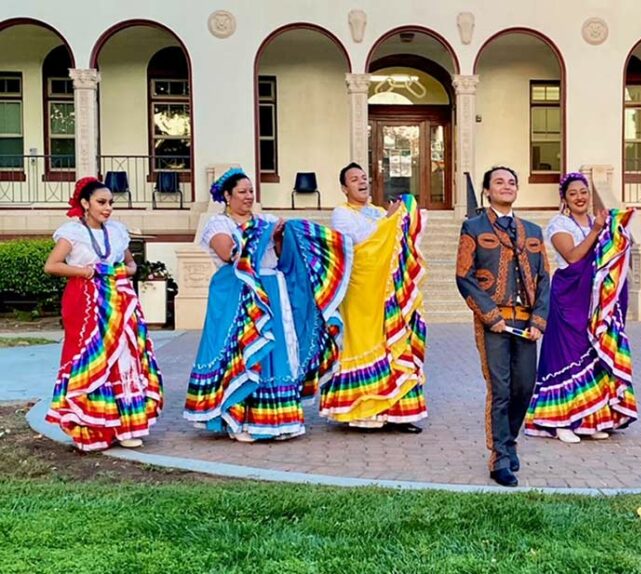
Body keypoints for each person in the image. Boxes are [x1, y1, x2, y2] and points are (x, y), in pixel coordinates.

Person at [184, 168, 351, 442]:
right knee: (244, 354)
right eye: (242, 192)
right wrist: (265, 234)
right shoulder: (218, 225)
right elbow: (229, 255)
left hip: (273, 290)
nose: (248, 197)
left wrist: (279, 237)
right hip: (238, 297)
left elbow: (282, 256)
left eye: (251, 191)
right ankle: (240, 420)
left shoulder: (265, 221)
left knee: (275, 352)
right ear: (227, 196)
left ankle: (275, 420)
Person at [43, 176, 163, 451]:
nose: (107, 208)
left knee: (124, 358)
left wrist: (118, 273)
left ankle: (126, 427)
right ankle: (91, 428)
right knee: (90, 357)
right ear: (85, 203)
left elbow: (132, 266)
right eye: (101, 202)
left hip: (119, 300)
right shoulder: (73, 232)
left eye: (110, 203)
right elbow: (52, 265)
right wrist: (87, 271)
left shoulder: (118, 231)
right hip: (85, 301)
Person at [524, 172, 637, 443]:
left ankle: (590, 419)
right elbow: (573, 256)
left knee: (593, 355)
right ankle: (559, 420)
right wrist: (598, 231)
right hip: (567, 299)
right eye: (573, 193)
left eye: (583, 192)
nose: (579, 197)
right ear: (564, 198)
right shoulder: (559, 224)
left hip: (594, 302)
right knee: (565, 357)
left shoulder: (599, 222)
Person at [456, 166, 550, 487]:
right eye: (499, 182)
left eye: (511, 182)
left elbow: (544, 279)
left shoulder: (534, 231)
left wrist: (539, 319)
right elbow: (464, 276)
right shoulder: (473, 227)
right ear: (487, 190)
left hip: (526, 323)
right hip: (494, 321)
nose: (506, 186)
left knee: (524, 386)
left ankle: (509, 443)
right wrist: (489, 314)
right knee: (500, 389)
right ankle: (499, 457)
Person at [319, 162, 428, 433]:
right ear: (345, 188)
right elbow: (363, 239)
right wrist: (391, 219)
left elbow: (394, 240)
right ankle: (363, 413)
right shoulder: (341, 213)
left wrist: (398, 217)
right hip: (359, 289)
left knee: (393, 344)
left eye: (364, 178)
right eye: (354, 179)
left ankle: (398, 413)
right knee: (364, 342)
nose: (361, 182)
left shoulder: (379, 211)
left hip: (386, 289)